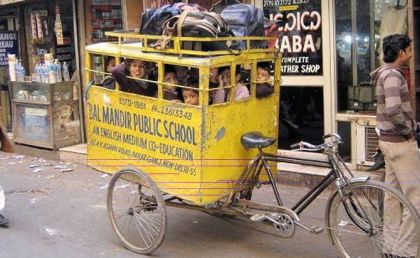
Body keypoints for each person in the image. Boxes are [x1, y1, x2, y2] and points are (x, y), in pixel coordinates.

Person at [372, 34, 420, 257]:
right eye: (409, 50)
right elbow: (393, 110)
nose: (411, 54)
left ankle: (390, 246)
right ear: (400, 52)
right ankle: (406, 250)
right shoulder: (392, 76)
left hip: (388, 143)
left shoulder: (383, 72)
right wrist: (408, 132)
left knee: (393, 197)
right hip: (400, 144)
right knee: (416, 200)